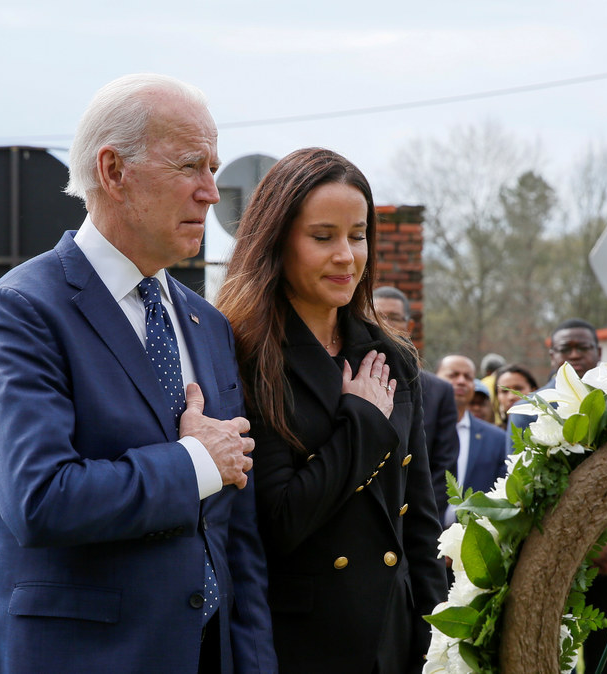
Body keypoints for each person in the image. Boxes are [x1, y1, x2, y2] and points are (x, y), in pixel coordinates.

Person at [0, 74, 275, 674]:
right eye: (190, 165)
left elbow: (236, 536)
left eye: (213, 167)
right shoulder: (25, 308)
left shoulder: (206, 324)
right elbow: (42, 500)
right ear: (113, 170)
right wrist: (194, 463)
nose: (212, 192)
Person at [215, 147, 445, 673]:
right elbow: (281, 521)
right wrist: (362, 423)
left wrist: (436, 642)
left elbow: (419, 521)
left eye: (358, 235)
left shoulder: (391, 355)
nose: (346, 255)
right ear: (277, 241)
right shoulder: (244, 355)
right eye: (323, 237)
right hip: (298, 644)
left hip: (395, 638)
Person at [507, 317, 607, 674]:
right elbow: (521, 488)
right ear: (552, 355)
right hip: (553, 559)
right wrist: (574, 544)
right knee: (552, 661)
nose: (575, 354)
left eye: (583, 347)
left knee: (603, 664)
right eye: (566, 348)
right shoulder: (526, 410)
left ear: (599, 352)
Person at [373, 285, 460, 514]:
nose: (384, 325)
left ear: (409, 326)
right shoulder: (349, 378)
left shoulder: (439, 391)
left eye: (393, 318)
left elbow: (444, 469)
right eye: (376, 317)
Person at [434, 355, 508, 527]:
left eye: (468, 377)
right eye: (453, 375)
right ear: (434, 379)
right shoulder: (415, 429)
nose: (461, 381)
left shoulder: (496, 438)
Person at [493, 363, 536, 430]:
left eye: (518, 389)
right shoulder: (495, 435)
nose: (511, 397)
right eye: (504, 391)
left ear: (534, 391)